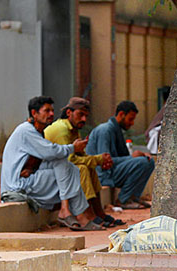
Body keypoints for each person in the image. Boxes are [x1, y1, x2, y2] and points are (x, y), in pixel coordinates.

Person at [0, 96, 102, 231]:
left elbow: (50, 155)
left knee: (70, 167)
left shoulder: (37, 130)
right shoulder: (26, 130)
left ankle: (69, 211)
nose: (51, 114)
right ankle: (76, 214)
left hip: (30, 178)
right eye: (46, 111)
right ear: (34, 113)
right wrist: (73, 148)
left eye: (52, 111)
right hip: (18, 186)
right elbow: (51, 151)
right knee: (64, 162)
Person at [44, 97, 123, 228]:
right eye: (80, 115)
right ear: (69, 113)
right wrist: (98, 160)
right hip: (49, 171)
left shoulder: (73, 129)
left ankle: (99, 213)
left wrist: (100, 160)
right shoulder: (61, 129)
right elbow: (70, 160)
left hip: (62, 171)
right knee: (82, 169)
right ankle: (88, 214)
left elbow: (80, 155)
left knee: (89, 168)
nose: (84, 120)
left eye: (86, 116)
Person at [86, 101, 156, 209]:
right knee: (143, 162)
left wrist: (133, 157)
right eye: (130, 119)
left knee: (148, 161)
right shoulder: (105, 130)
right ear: (121, 114)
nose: (132, 123)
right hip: (103, 174)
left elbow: (121, 158)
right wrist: (132, 157)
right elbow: (104, 161)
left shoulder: (117, 130)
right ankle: (124, 199)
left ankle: (132, 197)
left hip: (113, 171)